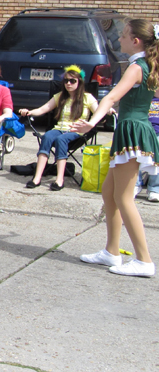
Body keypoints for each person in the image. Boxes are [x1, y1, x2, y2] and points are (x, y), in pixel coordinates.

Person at [73, 18, 157, 277]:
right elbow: (126, 100)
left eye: (123, 35)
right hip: (132, 127)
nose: (118, 39)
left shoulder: (137, 66)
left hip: (133, 132)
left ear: (136, 41)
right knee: (109, 192)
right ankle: (112, 251)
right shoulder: (144, 64)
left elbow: (110, 95)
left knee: (123, 197)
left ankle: (144, 260)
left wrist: (92, 123)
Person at [19, 65, 98, 190]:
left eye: (72, 81)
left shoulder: (87, 98)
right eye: (66, 80)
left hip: (76, 130)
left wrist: (109, 110)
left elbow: (99, 112)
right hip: (59, 128)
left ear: (80, 82)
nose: (68, 83)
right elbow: (43, 109)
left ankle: (59, 180)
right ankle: (37, 177)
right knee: (47, 136)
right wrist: (29, 112)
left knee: (61, 140)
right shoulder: (60, 96)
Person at [134, 93, 159, 202]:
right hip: (142, 131)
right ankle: (135, 184)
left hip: (157, 133)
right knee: (134, 152)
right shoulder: (144, 97)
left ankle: (154, 188)